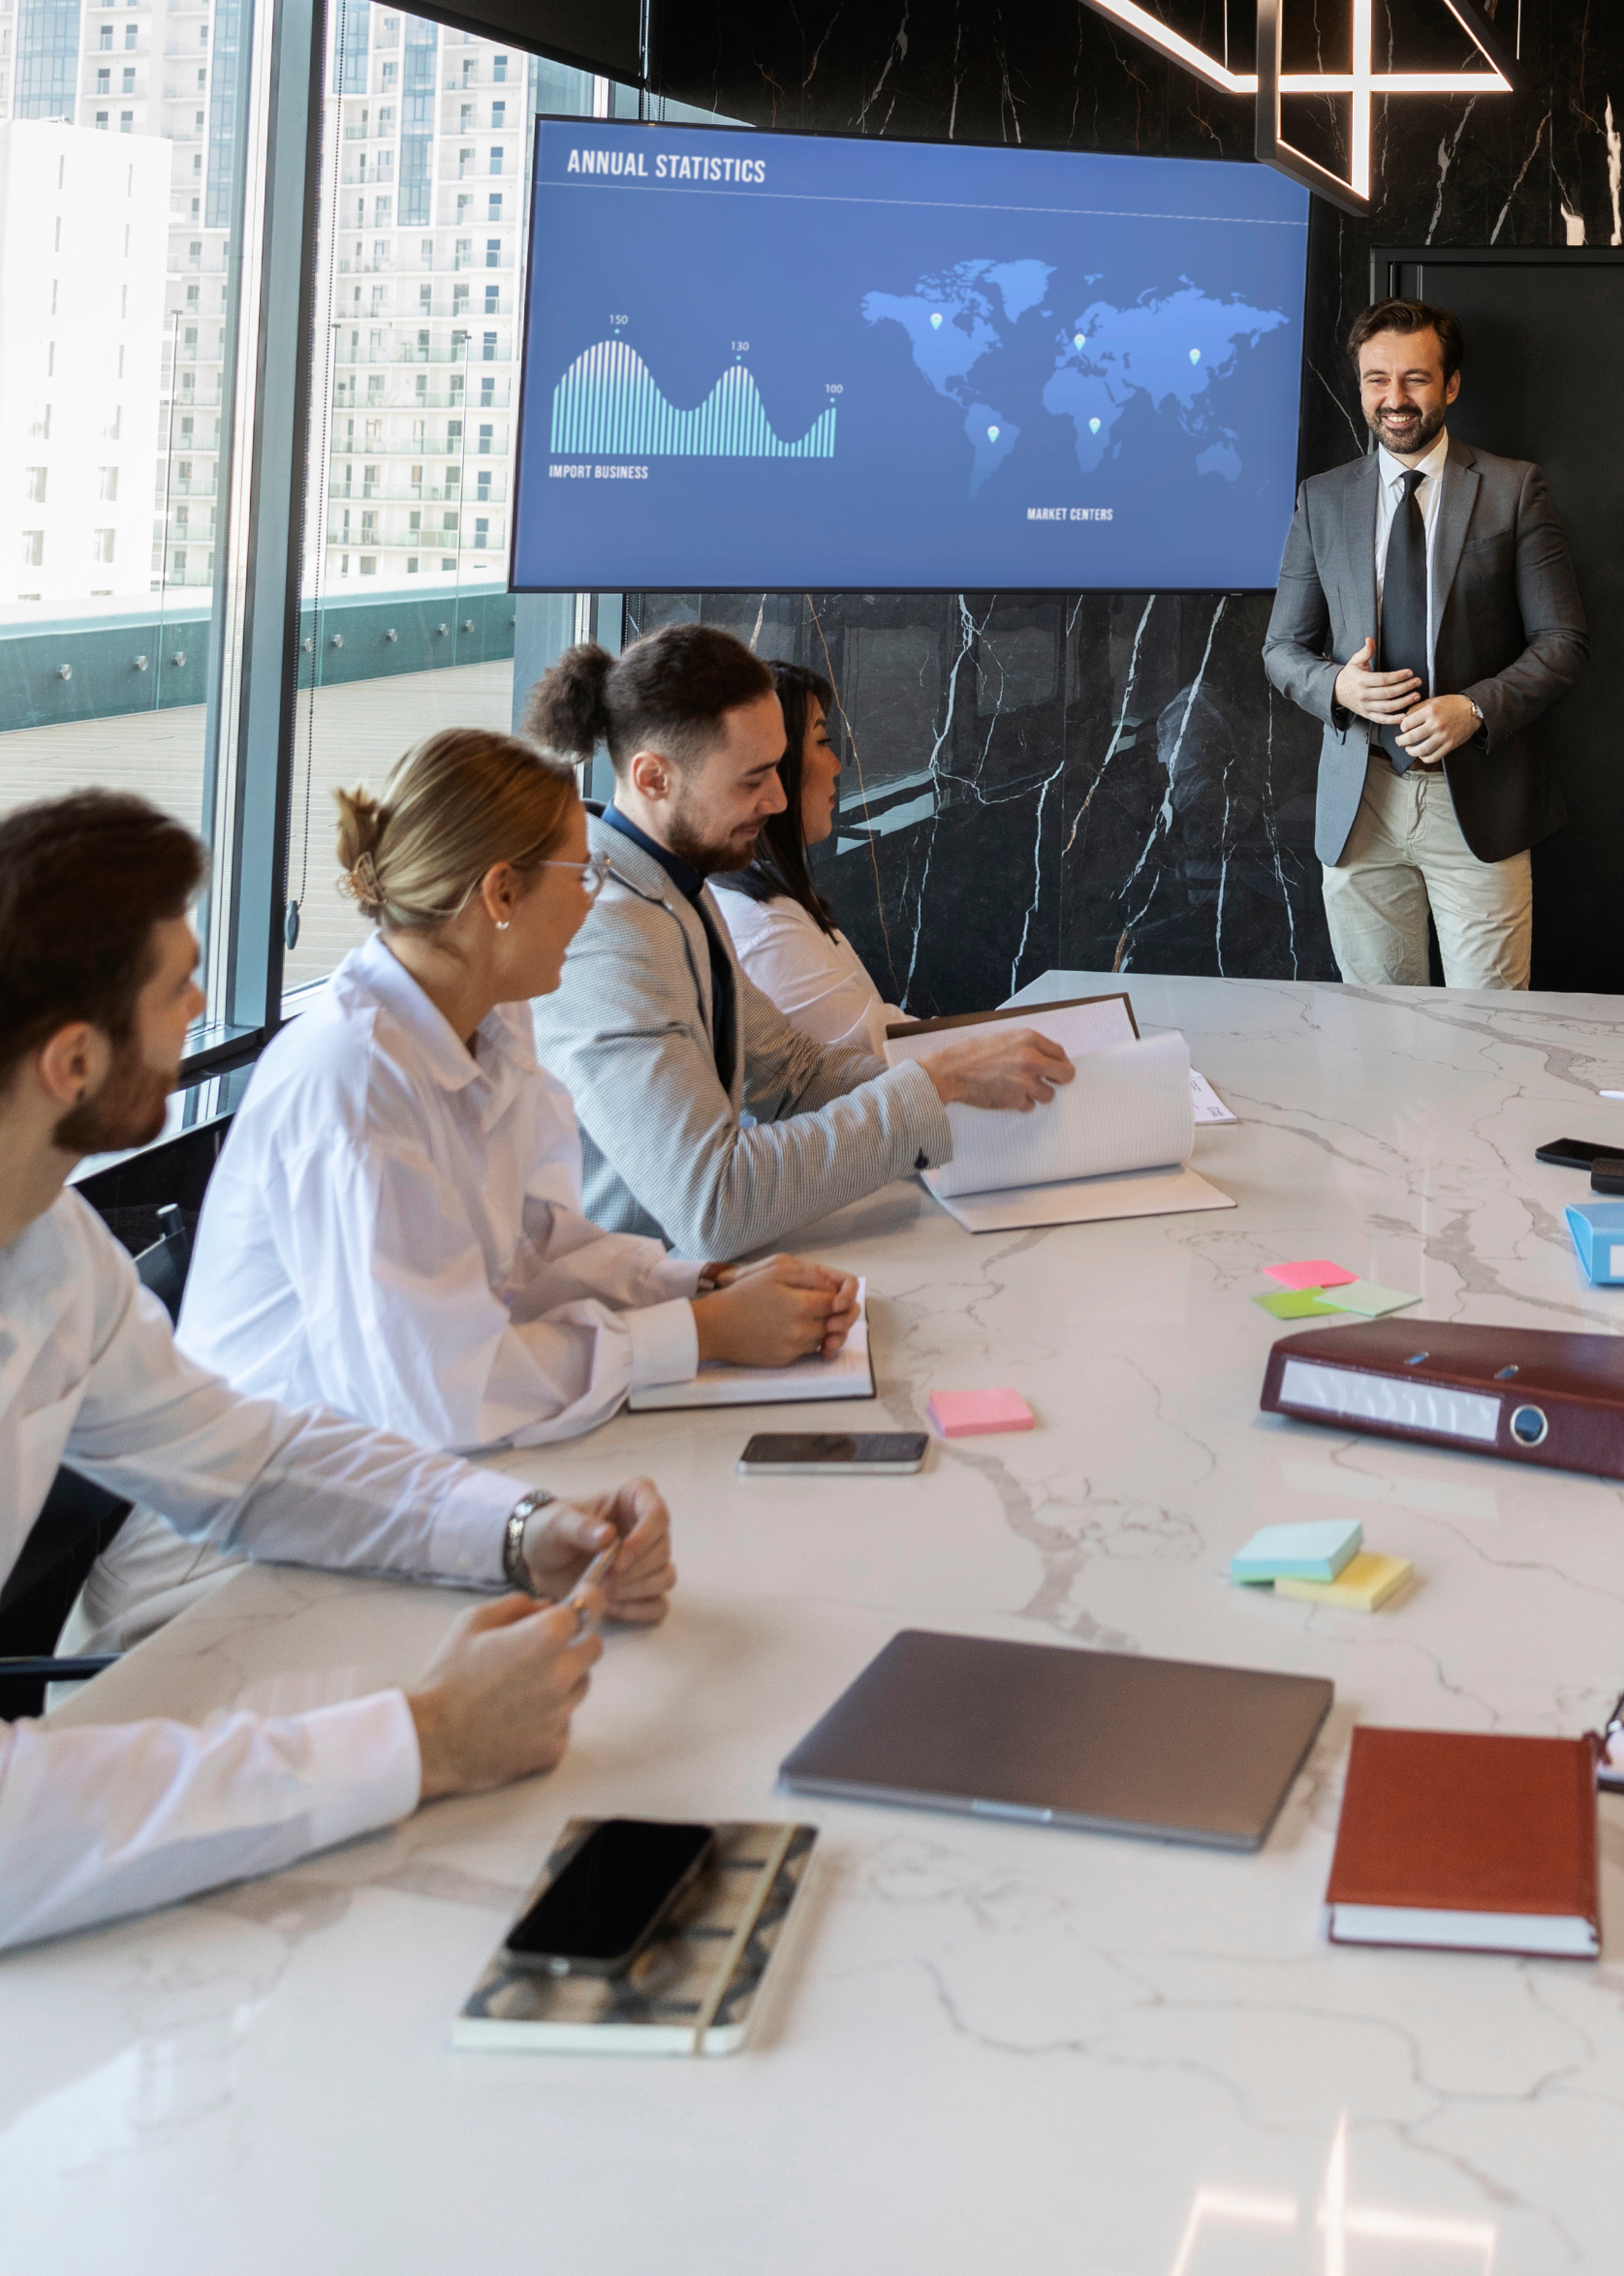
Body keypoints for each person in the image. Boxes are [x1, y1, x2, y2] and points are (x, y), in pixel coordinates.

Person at [0, 790, 670, 1954]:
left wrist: (517, 1528)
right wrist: (424, 1739)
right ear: (71, 1058)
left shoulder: (56, 1246)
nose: (203, 1009)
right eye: (175, 989)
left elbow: (251, 1461)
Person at [79, 731, 857, 1653]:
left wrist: (696, 1286)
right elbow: (440, 1394)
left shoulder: (489, 1017)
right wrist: (698, 1337)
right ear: (498, 893)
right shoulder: (352, 1078)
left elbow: (534, 1245)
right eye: (581, 872)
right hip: (219, 1580)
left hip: (384, 1497)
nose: (592, 898)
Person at [527, 624, 1070, 1251]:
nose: (779, 798)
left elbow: (793, 1074)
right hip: (628, 1311)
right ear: (653, 779)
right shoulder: (607, 934)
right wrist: (935, 1083)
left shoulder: (679, 883)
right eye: (752, 778)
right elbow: (714, 1204)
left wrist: (961, 1080)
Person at [1262, 299, 1588, 989]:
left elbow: (1562, 642)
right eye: (1376, 380)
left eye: (1414, 378)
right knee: (1376, 1034)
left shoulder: (1512, 488)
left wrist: (1472, 709)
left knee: (1492, 1034)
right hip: (1360, 803)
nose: (1394, 399)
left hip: (1476, 802)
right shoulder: (1321, 499)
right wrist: (1337, 689)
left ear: (1450, 385)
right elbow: (1282, 649)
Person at [715, 657, 905, 1062]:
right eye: (822, 742)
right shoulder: (763, 929)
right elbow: (882, 1060)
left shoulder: (763, 899)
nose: (837, 766)